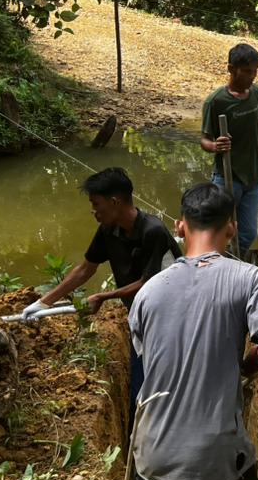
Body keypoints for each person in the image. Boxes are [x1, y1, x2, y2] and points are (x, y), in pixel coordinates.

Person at [126, 182, 258, 480]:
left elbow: (148, 356)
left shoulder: (149, 292)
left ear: (180, 227)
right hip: (216, 450)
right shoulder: (247, 278)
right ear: (231, 228)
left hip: (155, 443)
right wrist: (244, 368)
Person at [22, 168, 180, 406]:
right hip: (141, 316)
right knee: (140, 388)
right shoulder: (109, 230)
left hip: (173, 316)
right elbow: (86, 268)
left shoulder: (152, 231)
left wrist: (103, 296)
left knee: (168, 382)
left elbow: (151, 283)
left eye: (96, 204)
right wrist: (44, 302)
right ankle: (139, 431)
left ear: (115, 201)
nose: (93, 211)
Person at [201, 43, 258, 257]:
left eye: (254, 72)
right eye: (246, 71)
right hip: (227, 175)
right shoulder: (216, 102)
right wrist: (216, 146)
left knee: (248, 232)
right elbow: (204, 140)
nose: (251, 77)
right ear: (231, 69)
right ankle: (215, 265)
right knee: (219, 230)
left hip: (253, 177)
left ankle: (233, 266)